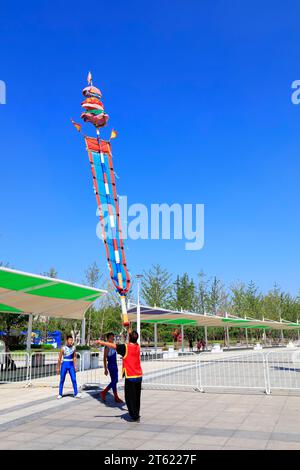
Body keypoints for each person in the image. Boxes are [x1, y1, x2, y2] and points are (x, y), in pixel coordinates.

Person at [97, 325, 143, 422]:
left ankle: (134, 416)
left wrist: (101, 342)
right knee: (137, 397)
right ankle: (136, 414)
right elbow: (132, 336)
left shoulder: (126, 347)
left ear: (129, 338)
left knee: (129, 397)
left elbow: (113, 346)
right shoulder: (137, 346)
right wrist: (128, 328)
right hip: (139, 375)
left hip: (130, 376)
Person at [100, 332, 123, 403]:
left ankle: (116, 397)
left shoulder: (114, 345)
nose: (112, 338)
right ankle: (104, 392)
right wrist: (105, 369)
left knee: (114, 381)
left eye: (113, 337)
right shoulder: (107, 347)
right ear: (108, 338)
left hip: (115, 365)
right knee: (115, 380)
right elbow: (104, 358)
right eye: (111, 337)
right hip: (111, 365)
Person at [56, 335, 81, 399]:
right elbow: (59, 359)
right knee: (62, 379)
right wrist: (58, 367)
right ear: (67, 340)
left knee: (74, 379)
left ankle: (76, 393)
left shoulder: (73, 348)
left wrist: (75, 366)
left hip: (71, 365)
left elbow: (75, 357)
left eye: (72, 340)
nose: (71, 341)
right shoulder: (63, 348)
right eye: (70, 340)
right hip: (64, 364)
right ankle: (60, 394)